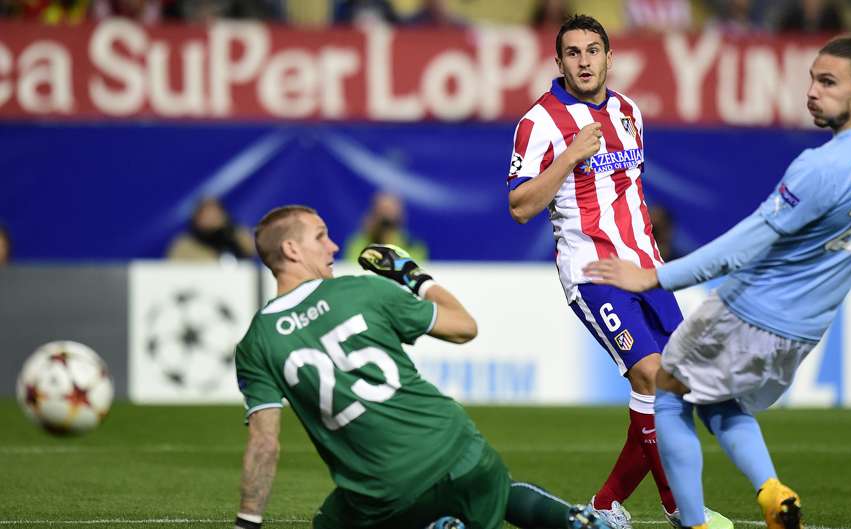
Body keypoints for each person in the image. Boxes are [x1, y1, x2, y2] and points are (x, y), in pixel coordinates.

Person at [583, 37, 851, 529]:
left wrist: (654, 276)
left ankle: (693, 522)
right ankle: (773, 492)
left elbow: (742, 246)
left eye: (827, 82)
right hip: (803, 334)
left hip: (747, 311)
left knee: (666, 394)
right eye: (812, 78)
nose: (812, 92)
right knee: (717, 402)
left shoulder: (819, 167)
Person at [232, 204, 614, 529]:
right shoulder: (365, 290)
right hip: (465, 454)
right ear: (291, 249)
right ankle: (573, 520)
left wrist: (248, 522)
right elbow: (464, 326)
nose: (333, 245)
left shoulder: (258, 342)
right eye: (321, 236)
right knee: (494, 487)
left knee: (332, 521)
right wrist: (410, 275)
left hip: (386, 491)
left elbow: (264, 443)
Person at [506, 14, 731, 529]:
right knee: (650, 375)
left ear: (610, 57)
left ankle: (606, 505)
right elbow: (519, 206)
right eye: (573, 53)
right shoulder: (538, 123)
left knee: (670, 386)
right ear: (558, 61)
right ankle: (683, 511)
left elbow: (629, 192)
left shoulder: (629, 111)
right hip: (593, 273)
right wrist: (567, 158)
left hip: (647, 271)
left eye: (593, 51)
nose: (584, 61)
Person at [342, 192, 428, 263]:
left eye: (390, 210)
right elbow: (353, 269)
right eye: (382, 209)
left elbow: (414, 272)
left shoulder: (413, 246)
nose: (386, 215)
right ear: (373, 214)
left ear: (400, 215)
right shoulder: (358, 243)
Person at [167, 197, 255, 262]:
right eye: (206, 213)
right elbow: (175, 272)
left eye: (215, 212)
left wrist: (231, 229)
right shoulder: (184, 244)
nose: (211, 218)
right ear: (197, 217)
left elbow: (252, 250)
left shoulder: (235, 235)